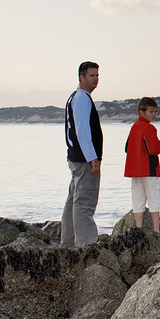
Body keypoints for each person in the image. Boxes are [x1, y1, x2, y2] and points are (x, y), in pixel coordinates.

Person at [62, 61, 103, 248]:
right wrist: (92, 157)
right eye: (91, 75)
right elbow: (82, 130)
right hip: (84, 160)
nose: (95, 79)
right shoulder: (81, 98)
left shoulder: (76, 97)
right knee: (84, 203)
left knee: (73, 200)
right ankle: (86, 245)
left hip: (76, 158)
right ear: (81, 77)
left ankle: (68, 242)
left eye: (97, 75)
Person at [124, 97, 160, 234]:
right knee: (154, 199)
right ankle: (156, 230)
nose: (154, 115)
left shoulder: (134, 127)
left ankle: (138, 229)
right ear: (141, 112)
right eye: (151, 111)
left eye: (155, 112)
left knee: (138, 200)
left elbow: (126, 148)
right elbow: (154, 149)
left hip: (135, 171)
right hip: (149, 170)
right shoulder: (149, 128)